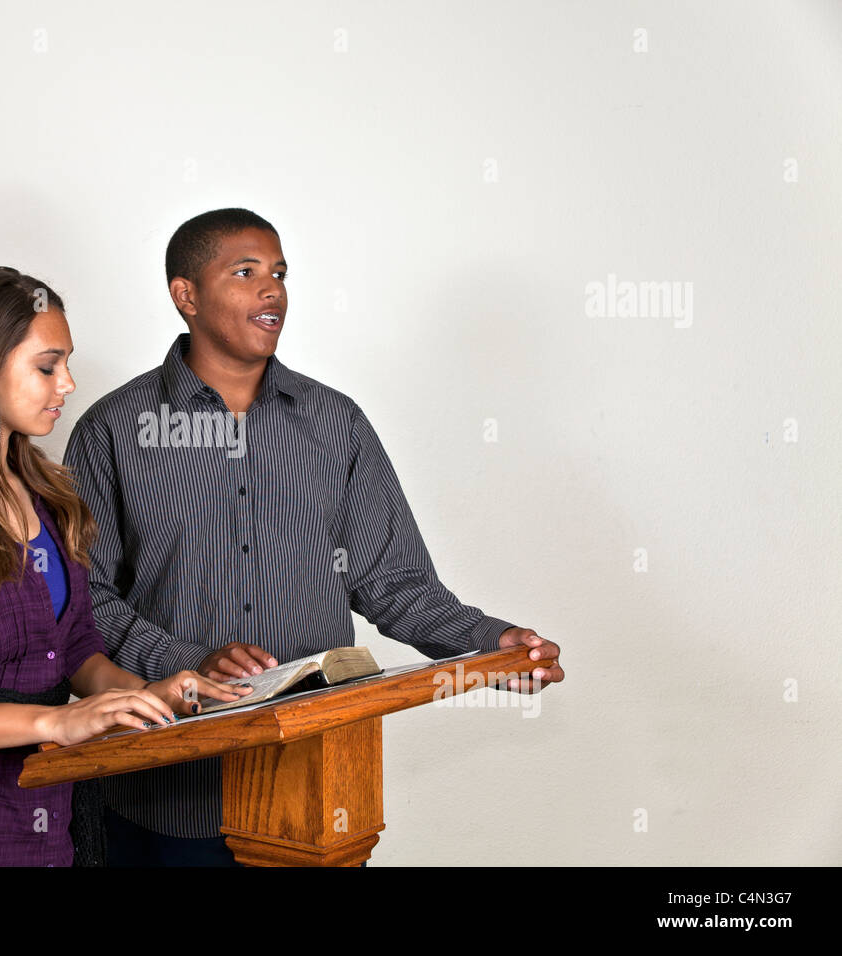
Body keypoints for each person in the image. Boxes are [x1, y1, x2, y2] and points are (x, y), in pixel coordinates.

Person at [62, 208, 566, 866]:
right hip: (166, 797)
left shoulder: (336, 425)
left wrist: (489, 642)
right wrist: (190, 663)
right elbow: (83, 603)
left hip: (318, 791)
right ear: (186, 295)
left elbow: (392, 582)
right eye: (245, 273)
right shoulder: (112, 431)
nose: (272, 290)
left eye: (279, 273)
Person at [0, 266, 250, 867]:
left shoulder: (50, 499)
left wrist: (149, 696)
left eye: (67, 364)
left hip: (59, 828)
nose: (69, 384)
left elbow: (78, 652)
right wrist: (54, 722)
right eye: (47, 366)